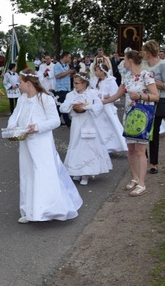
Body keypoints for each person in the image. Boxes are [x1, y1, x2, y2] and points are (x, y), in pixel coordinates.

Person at [7, 69, 82, 223]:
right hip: (25, 141)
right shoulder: (22, 99)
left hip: (41, 142)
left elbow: (54, 121)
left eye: (20, 82)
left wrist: (38, 126)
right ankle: (29, 210)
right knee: (27, 173)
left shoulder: (45, 99)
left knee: (43, 173)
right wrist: (12, 127)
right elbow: (15, 115)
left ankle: (48, 209)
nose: (18, 85)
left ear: (28, 83)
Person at [102, 50, 159, 197]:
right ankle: (134, 177)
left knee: (140, 150)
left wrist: (139, 96)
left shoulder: (147, 75)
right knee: (131, 149)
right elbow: (117, 94)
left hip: (143, 115)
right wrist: (101, 101)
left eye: (125, 60)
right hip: (129, 116)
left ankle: (142, 183)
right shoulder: (127, 77)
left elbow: (155, 96)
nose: (123, 63)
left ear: (130, 60)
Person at [60, 73, 112, 185]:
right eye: (74, 83)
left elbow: (99, 106)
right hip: (76, 123)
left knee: (87, 147)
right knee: (75, 146)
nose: (75, 85)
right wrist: (71, 104)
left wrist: (86, 107)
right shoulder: (71, 95)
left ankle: (86, 173)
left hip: (88, 123)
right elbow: (62, 108)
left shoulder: (92, 93)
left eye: (77, 83)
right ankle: (77, 170)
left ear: (84, 83)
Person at [141, 40, 165, 173]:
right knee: (142, 131)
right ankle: (143, 159)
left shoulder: (162, 65)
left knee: (153, 132)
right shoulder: (142, 64)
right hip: (143, 101)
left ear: (148, 53)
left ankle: (153, 163)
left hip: (157, 101)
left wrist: (152, 82)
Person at [92, 64, 128, 153]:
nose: (95, 72)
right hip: (98, 107)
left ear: (102, 72)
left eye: (97, 70)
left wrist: (103, 96)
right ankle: (103, 147)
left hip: (107, 106)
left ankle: (115, 145)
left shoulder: (110, 81)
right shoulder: (96, 81)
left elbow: (115, 95)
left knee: (111, 126)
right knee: (99, 127)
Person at [53, 52, 76, 127]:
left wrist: (71, 74)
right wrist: (68, 72)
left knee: (62, 105)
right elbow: (57, 76)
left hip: (67, 87)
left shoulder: (67, 66)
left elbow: (67, 76)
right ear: (65, 57)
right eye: (69, 57)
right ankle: (67, 121)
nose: (70, 59)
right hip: (60, 88)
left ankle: (58, 120)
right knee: (61, 104)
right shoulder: (57, 65)